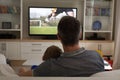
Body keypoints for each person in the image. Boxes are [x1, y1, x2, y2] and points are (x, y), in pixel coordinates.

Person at [19, 16, 104, 77]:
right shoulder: (97, 57)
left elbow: (22, 75)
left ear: (58, 36)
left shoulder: (48, 67)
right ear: (80, 35)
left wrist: (22, 70)